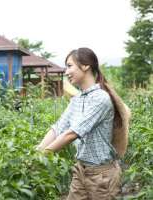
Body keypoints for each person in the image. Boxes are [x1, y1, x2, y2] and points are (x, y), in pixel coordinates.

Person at [36, 47, 129, 199]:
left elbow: (72, 133)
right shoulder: (77, 99)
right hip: (80, 170)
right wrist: (38, 150)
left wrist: (43, 155)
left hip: (101, 175)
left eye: (69, 65)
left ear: (85, 66)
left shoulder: (101, 99)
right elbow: (58, 128)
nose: (66, 72)